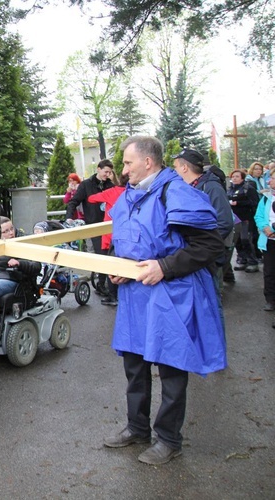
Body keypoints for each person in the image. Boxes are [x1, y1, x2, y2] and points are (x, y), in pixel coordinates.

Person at [104, 136, 226, 465]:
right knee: (135, 366)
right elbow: (129, 242)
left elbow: (210, 244)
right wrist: (120, 268)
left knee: (171, 368)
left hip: (171, 296)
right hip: (135, 297)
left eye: (128, 162)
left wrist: (165, 266)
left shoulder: (177, 191)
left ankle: (170, 439)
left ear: (148, 162)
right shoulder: (130, 196)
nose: (123, 169)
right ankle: (137, 428)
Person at [172, 148, 235, 300]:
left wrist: (203, 244)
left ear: (184, 167)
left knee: (212, 299)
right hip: (195, 256)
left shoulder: (211, 187)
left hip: (209, 257)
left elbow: (225, 221)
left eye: (175, 167)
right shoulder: (187, 188)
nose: (173, 171)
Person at [66, 159, 115, 293]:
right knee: (102, 254)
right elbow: (73, 201)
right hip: (94, 225)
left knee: (110, 254)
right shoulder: (86, 185)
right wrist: (69, 217)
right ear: (98, 169)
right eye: (106, 171)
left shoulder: (110, 185)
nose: (107, 174)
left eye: (110, 172)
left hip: (110, 225)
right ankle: (102, 284)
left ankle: (105, 283)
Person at [87, 171, 129, 306]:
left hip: (110, 232)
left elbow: (91, 198)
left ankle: (112, 296)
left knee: (111, 264)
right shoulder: (133, 193)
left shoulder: (112, 192)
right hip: (127, 233)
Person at [228, 169, 260, 273]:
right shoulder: (230, 189)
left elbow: (254, 202)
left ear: (242, 178)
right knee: (237, 241)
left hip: (246, 218)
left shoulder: (248, 189)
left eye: (237, 176)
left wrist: (238, 203)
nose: (234, 178)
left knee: (246, 239)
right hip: (234, 219)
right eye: (233, 176)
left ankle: (252, 262)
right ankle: (242, 259)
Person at [254, 175, 275, 311]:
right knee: (269, 271)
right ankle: (270, 300)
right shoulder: (266, 198)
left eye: (272, 178)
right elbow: (258, 215)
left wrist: (272, 228)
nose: (268, 180)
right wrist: (265, 228)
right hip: (269, 240)